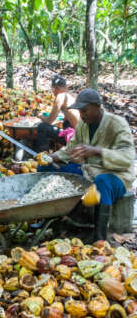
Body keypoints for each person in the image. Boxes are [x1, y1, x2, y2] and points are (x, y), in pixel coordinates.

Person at [38, 88, 136, 242]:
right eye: (80, 111)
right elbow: (72, 148)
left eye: (85, 110)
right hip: (89, 172)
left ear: (98, 106)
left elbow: (128, 158)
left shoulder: (117, 124)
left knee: (102, 183)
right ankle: (48, 220)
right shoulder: (83, 125)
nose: (81, 115)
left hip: (117, 175)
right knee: (46, 168)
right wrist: (54, 157)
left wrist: (98, 151)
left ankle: (99, 238)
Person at [36, 75, 80, 152]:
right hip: (81, 134)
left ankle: (44, 157)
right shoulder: (70, 96)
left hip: (75, 138)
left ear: (53, 89)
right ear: (66, 87)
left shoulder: (60, 97)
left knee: (42, 127)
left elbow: (49, 121)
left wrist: (39, 116)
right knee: (64, 123)